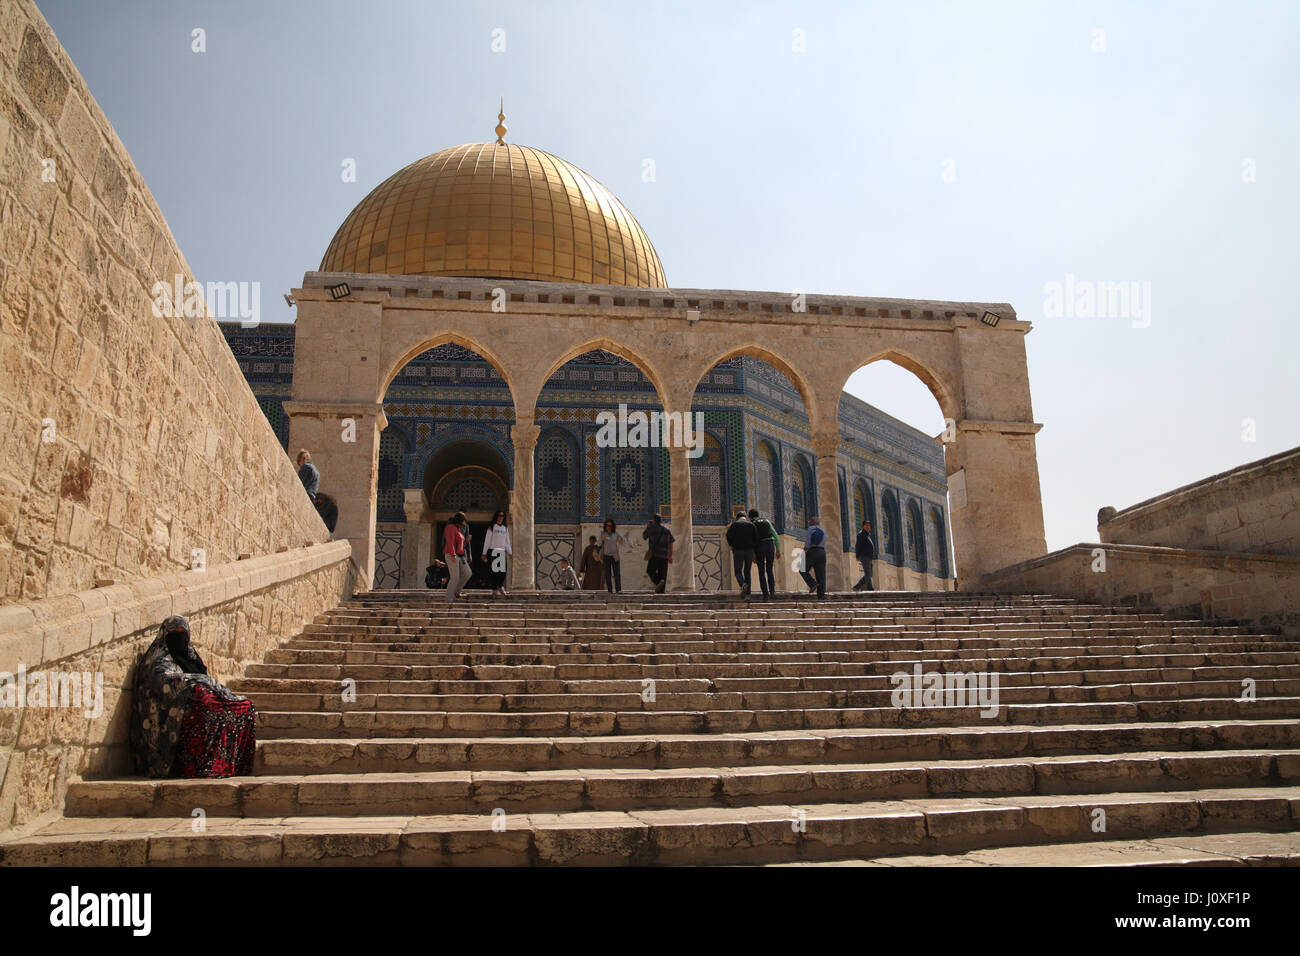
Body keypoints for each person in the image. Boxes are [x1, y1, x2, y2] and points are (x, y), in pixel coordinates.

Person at [130, 615, 256, 778]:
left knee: (245, 707)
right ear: (165, 635)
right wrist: (199, 684)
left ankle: (224, 766)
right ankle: (191, 766)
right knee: (203, 700)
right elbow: (168, 685)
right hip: (166, 715)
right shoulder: (156, 660)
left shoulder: (190, 657)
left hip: (190, 703)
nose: (179, 638)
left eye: (183, 633)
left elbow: (206, 680)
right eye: (175, 633)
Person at [725, 510, 758, 598]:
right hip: (749, 551)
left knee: (738, 571)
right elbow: (756, 539)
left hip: (738, 551)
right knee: (747, 572)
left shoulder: (734, 525)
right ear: (745, 517)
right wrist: (754, 552)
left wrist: (731, 545)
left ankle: (743, 584)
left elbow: (728, 536)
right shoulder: (751, 525)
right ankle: (748, 593)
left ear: (737, 518)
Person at [750, 508, 780, 599]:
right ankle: (772, 592)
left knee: (761, 571)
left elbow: (752, 541)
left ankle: (765, 594)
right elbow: (775, 535)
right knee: (770, 570)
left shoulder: (752, 524)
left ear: (750, 517)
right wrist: (778, 549)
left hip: (760, 547)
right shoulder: (767, 521)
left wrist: (753, 555)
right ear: (758, 515)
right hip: (770, 545)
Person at [642, 513, 675, 594]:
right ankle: (661, 592)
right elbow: (671, 542)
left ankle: (658, 582)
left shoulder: (651, 528)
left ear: (653, 520)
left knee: (650, 571)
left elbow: (644, 536)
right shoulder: (667, 530)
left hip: (655, 554)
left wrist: (648, 527)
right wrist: (670, 555)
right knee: (663, 575)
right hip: (664, 555)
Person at [482, 510, 512, 596]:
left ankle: (500, 586)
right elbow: (487, 541)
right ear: (496, 517)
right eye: (499, 516)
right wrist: (484, 553)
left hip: (501, 551)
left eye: (502, 516)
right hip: (493, 551)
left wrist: (510, 552)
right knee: (494, 571)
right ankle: (494, 589)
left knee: (502, 571)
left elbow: (507, 542)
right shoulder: (492, 527)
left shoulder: (505, 528)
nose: (500, 517)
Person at [443, 512, 471, 602]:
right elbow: (450, 542)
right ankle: (449, 599)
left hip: (461, 556)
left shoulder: (459, 529)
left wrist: (466, 541)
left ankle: (456, 591)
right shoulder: (450, 527)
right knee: (455, 577)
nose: (465, 523)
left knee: (467, 573)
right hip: (451, 554)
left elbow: (460, 544)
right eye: (464, 520)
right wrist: (453, 555)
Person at [799, 516, 828, 598]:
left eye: (810, 521)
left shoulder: (811, 528)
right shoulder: (823, 530)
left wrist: (805, 549)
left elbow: (808, 540)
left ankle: (812, 583)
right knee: (821, 575)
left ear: (812, 521)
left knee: (802, 569)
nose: (809, 523)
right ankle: (821, 596)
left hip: (813, 551)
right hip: (822, 552)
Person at [598, 518, 627, 594]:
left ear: (613, 526)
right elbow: (598, 544)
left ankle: (618, 589)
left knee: (616, 573)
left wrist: (621, 540)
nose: (608, 527)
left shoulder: (616, 534)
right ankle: (610, 590)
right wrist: (602, 539)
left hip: (615, 556)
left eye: (610, 526)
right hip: (606, 556)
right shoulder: (602, 533)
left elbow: (624, 541)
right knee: (608, 574)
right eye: (607, 525)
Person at [853, 519, 876, 592]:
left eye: (869, 525)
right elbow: (858, 545)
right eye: (867, 525)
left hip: (869, 557)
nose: (868, 527)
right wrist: (857, 555)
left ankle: (857, 586)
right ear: (863, 526)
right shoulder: (861, 534)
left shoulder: (867, 534)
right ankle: (870, 588)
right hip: (864, 556)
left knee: (870, 574)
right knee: (868, 573)